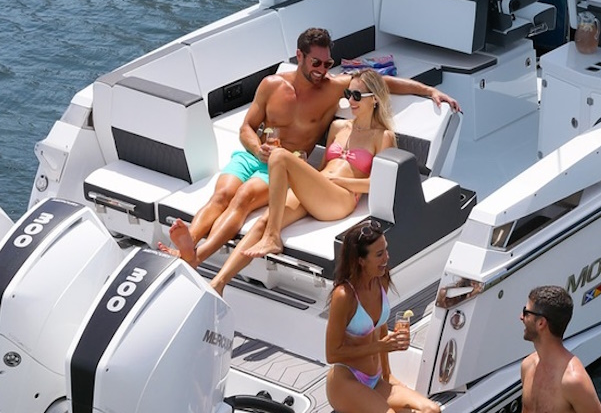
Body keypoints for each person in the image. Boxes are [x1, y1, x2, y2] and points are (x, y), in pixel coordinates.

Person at [164, 27, 459, 268]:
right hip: (253, 154)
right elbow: (246, 128)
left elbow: (381, 84)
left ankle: (195, 257)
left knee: (242, 197)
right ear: (299, 56)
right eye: (316, 63)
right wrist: (256, 149)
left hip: (287, 164)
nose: (322, 70)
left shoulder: (333, 88)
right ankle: (187, 247)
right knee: (222, 195)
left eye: (327, 64)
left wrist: (428, 90)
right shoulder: (271, 85)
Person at [208, 69, 396, 294]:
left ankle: (273, 238)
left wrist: (338, 180)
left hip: (341, 199)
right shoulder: (338, 127)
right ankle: (218, 282)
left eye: (357, 96)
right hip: (321, 189)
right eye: (348, 94)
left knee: (279, 155)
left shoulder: (382, 136)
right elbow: (324, 166)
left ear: (374, 99)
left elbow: (378, 184)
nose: (350, 101)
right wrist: (308, 175)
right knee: (264, 222)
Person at [268, 218, 442, 413]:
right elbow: (332, 354)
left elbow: (380, 326)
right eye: (379, 254)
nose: (387, 258)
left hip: (375, 380)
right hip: (347, 382)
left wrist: (388, 374)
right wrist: (381, 346)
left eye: (386, 250)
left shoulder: (381, 279)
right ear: (360, 260)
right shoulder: (344, 295)